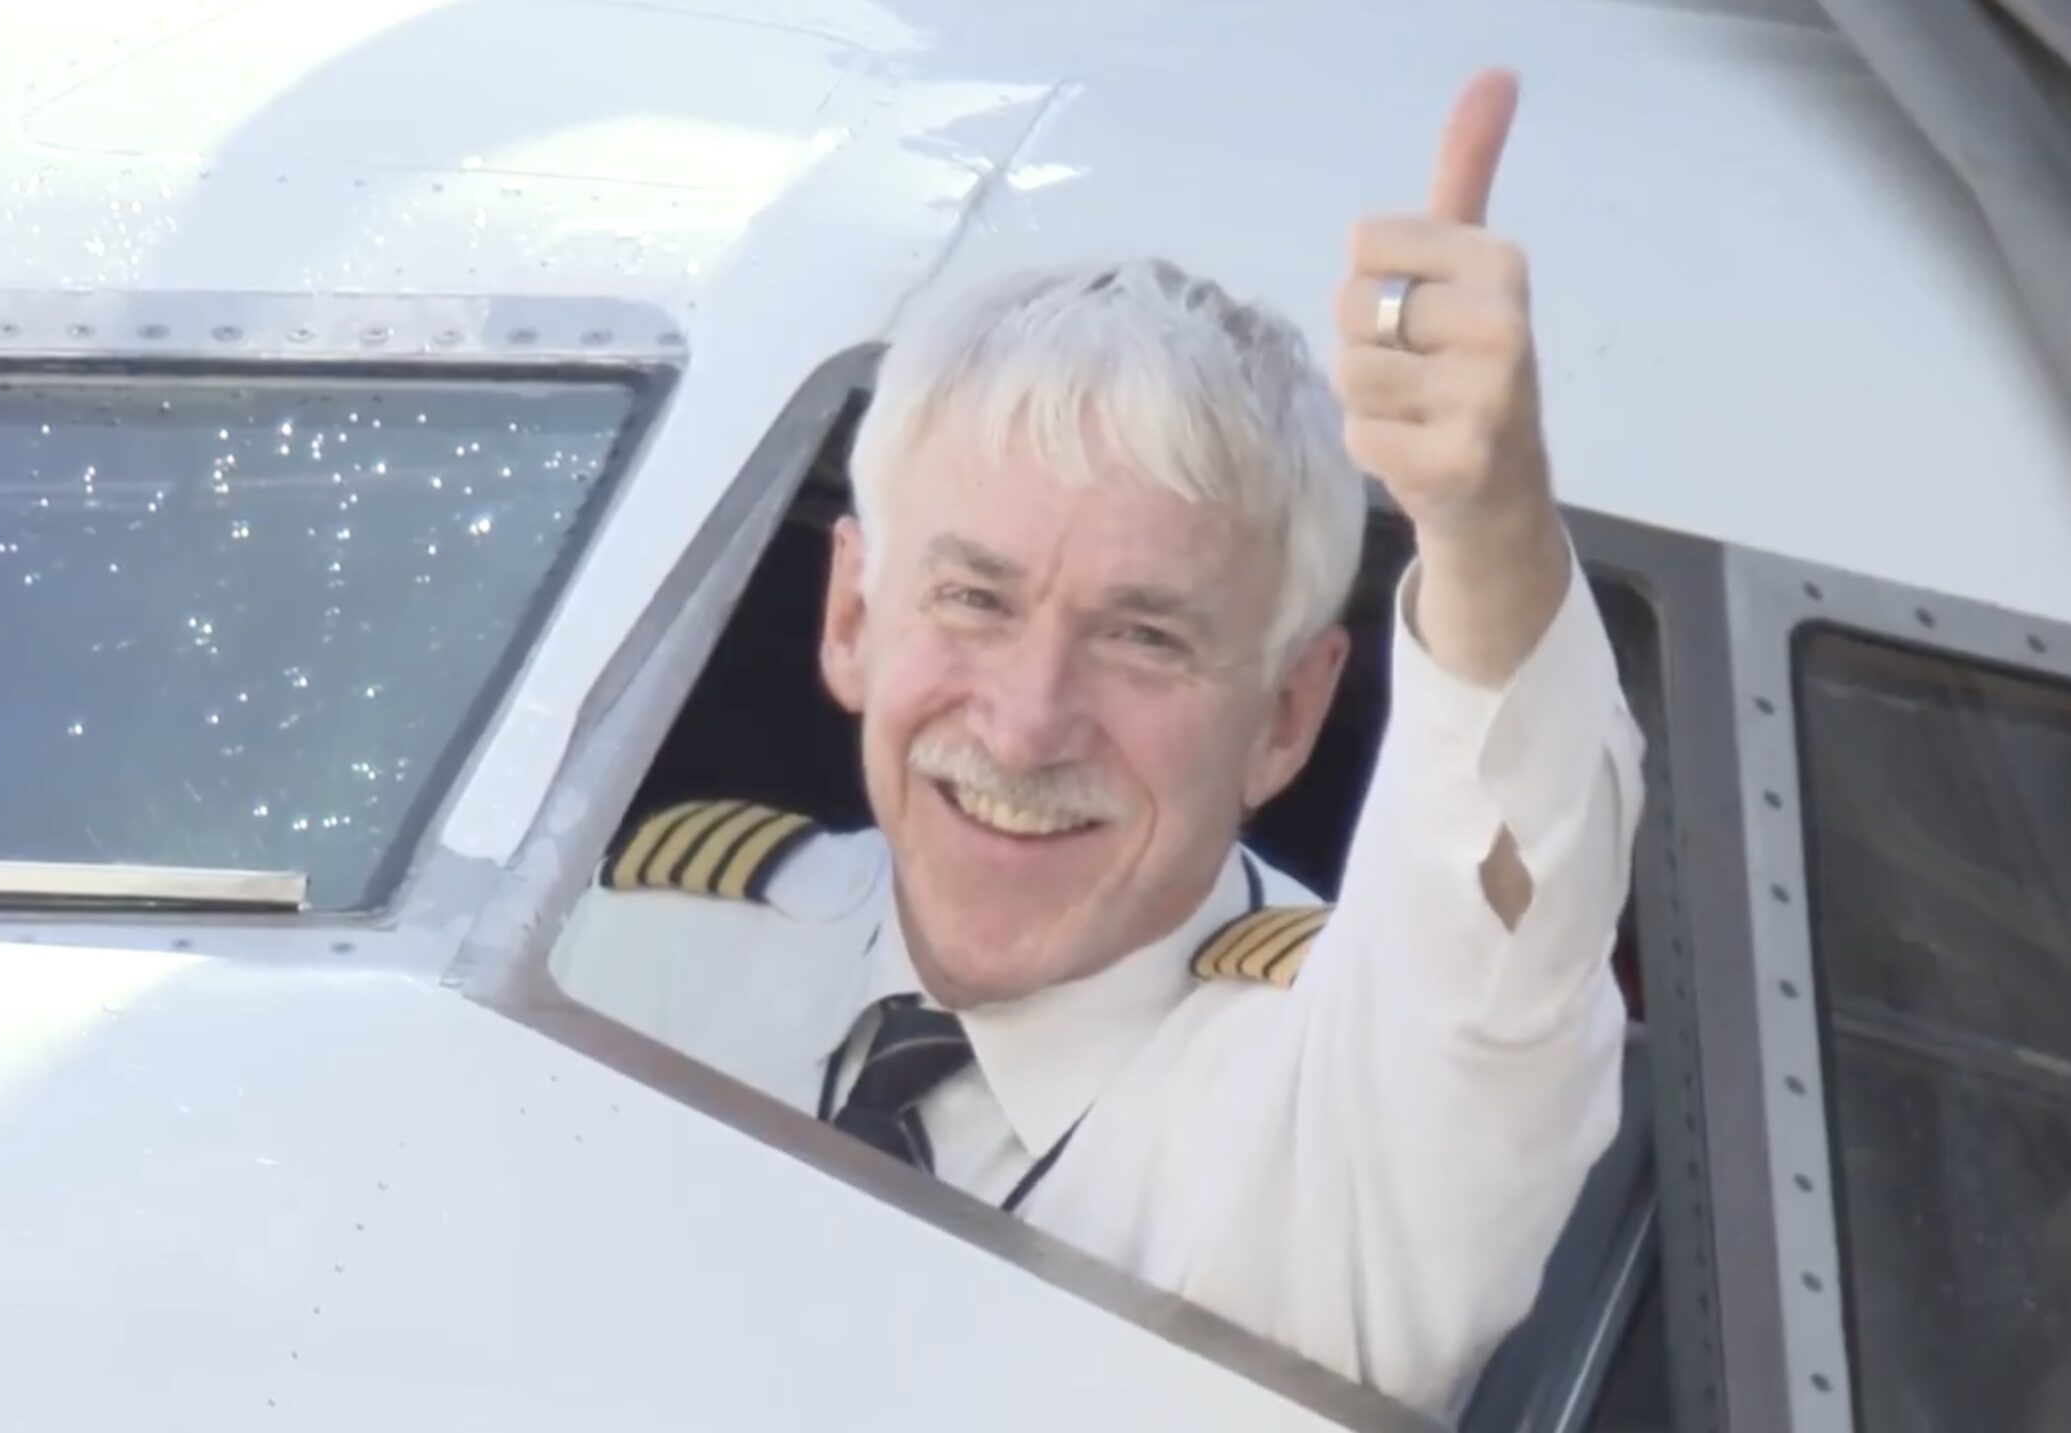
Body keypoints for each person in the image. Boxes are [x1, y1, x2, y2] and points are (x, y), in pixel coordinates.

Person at [549, 69, 1644, 1421]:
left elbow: (1507, 913)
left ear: (1288, 717)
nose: (1025, 721)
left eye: (1145, 639)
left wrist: (1494, 536)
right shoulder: (644, 943)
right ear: (849, 616)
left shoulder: (1344, 1111)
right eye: (974, 599)